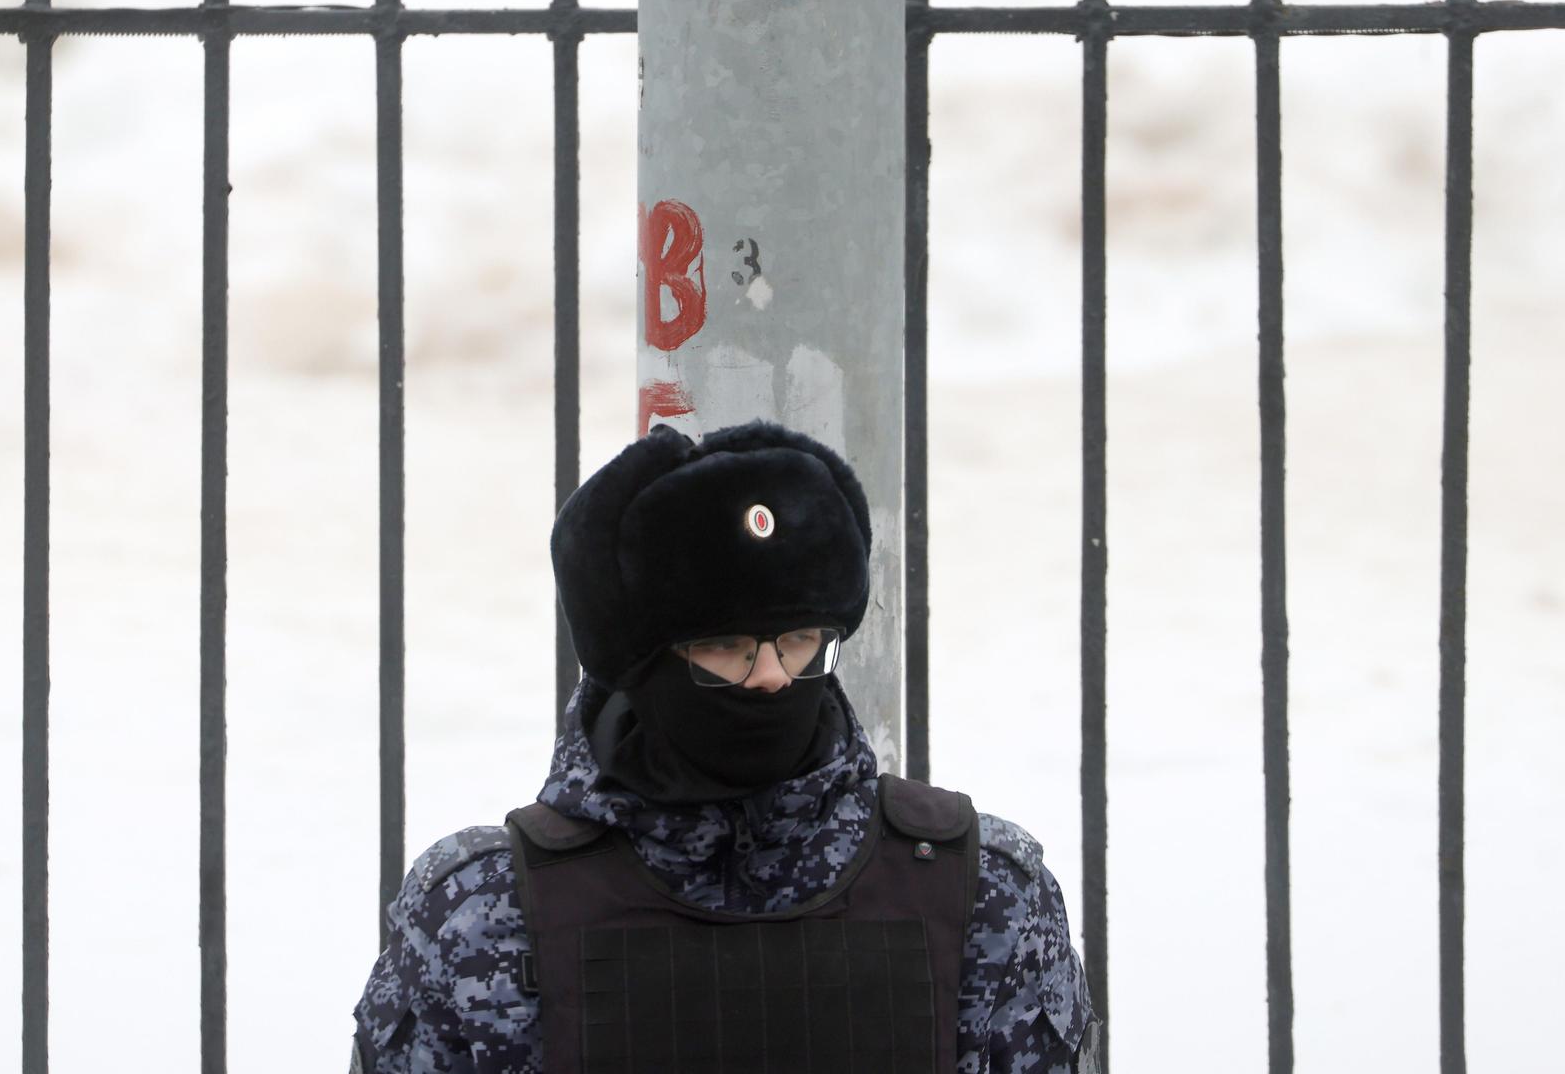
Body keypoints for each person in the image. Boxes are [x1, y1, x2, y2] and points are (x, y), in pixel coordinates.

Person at [351, 420, 1099, 1072]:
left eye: (800, 639)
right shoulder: (481, 909)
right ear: (641, 663)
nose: (773, 675)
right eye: (726, 646)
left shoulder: (987, 891)